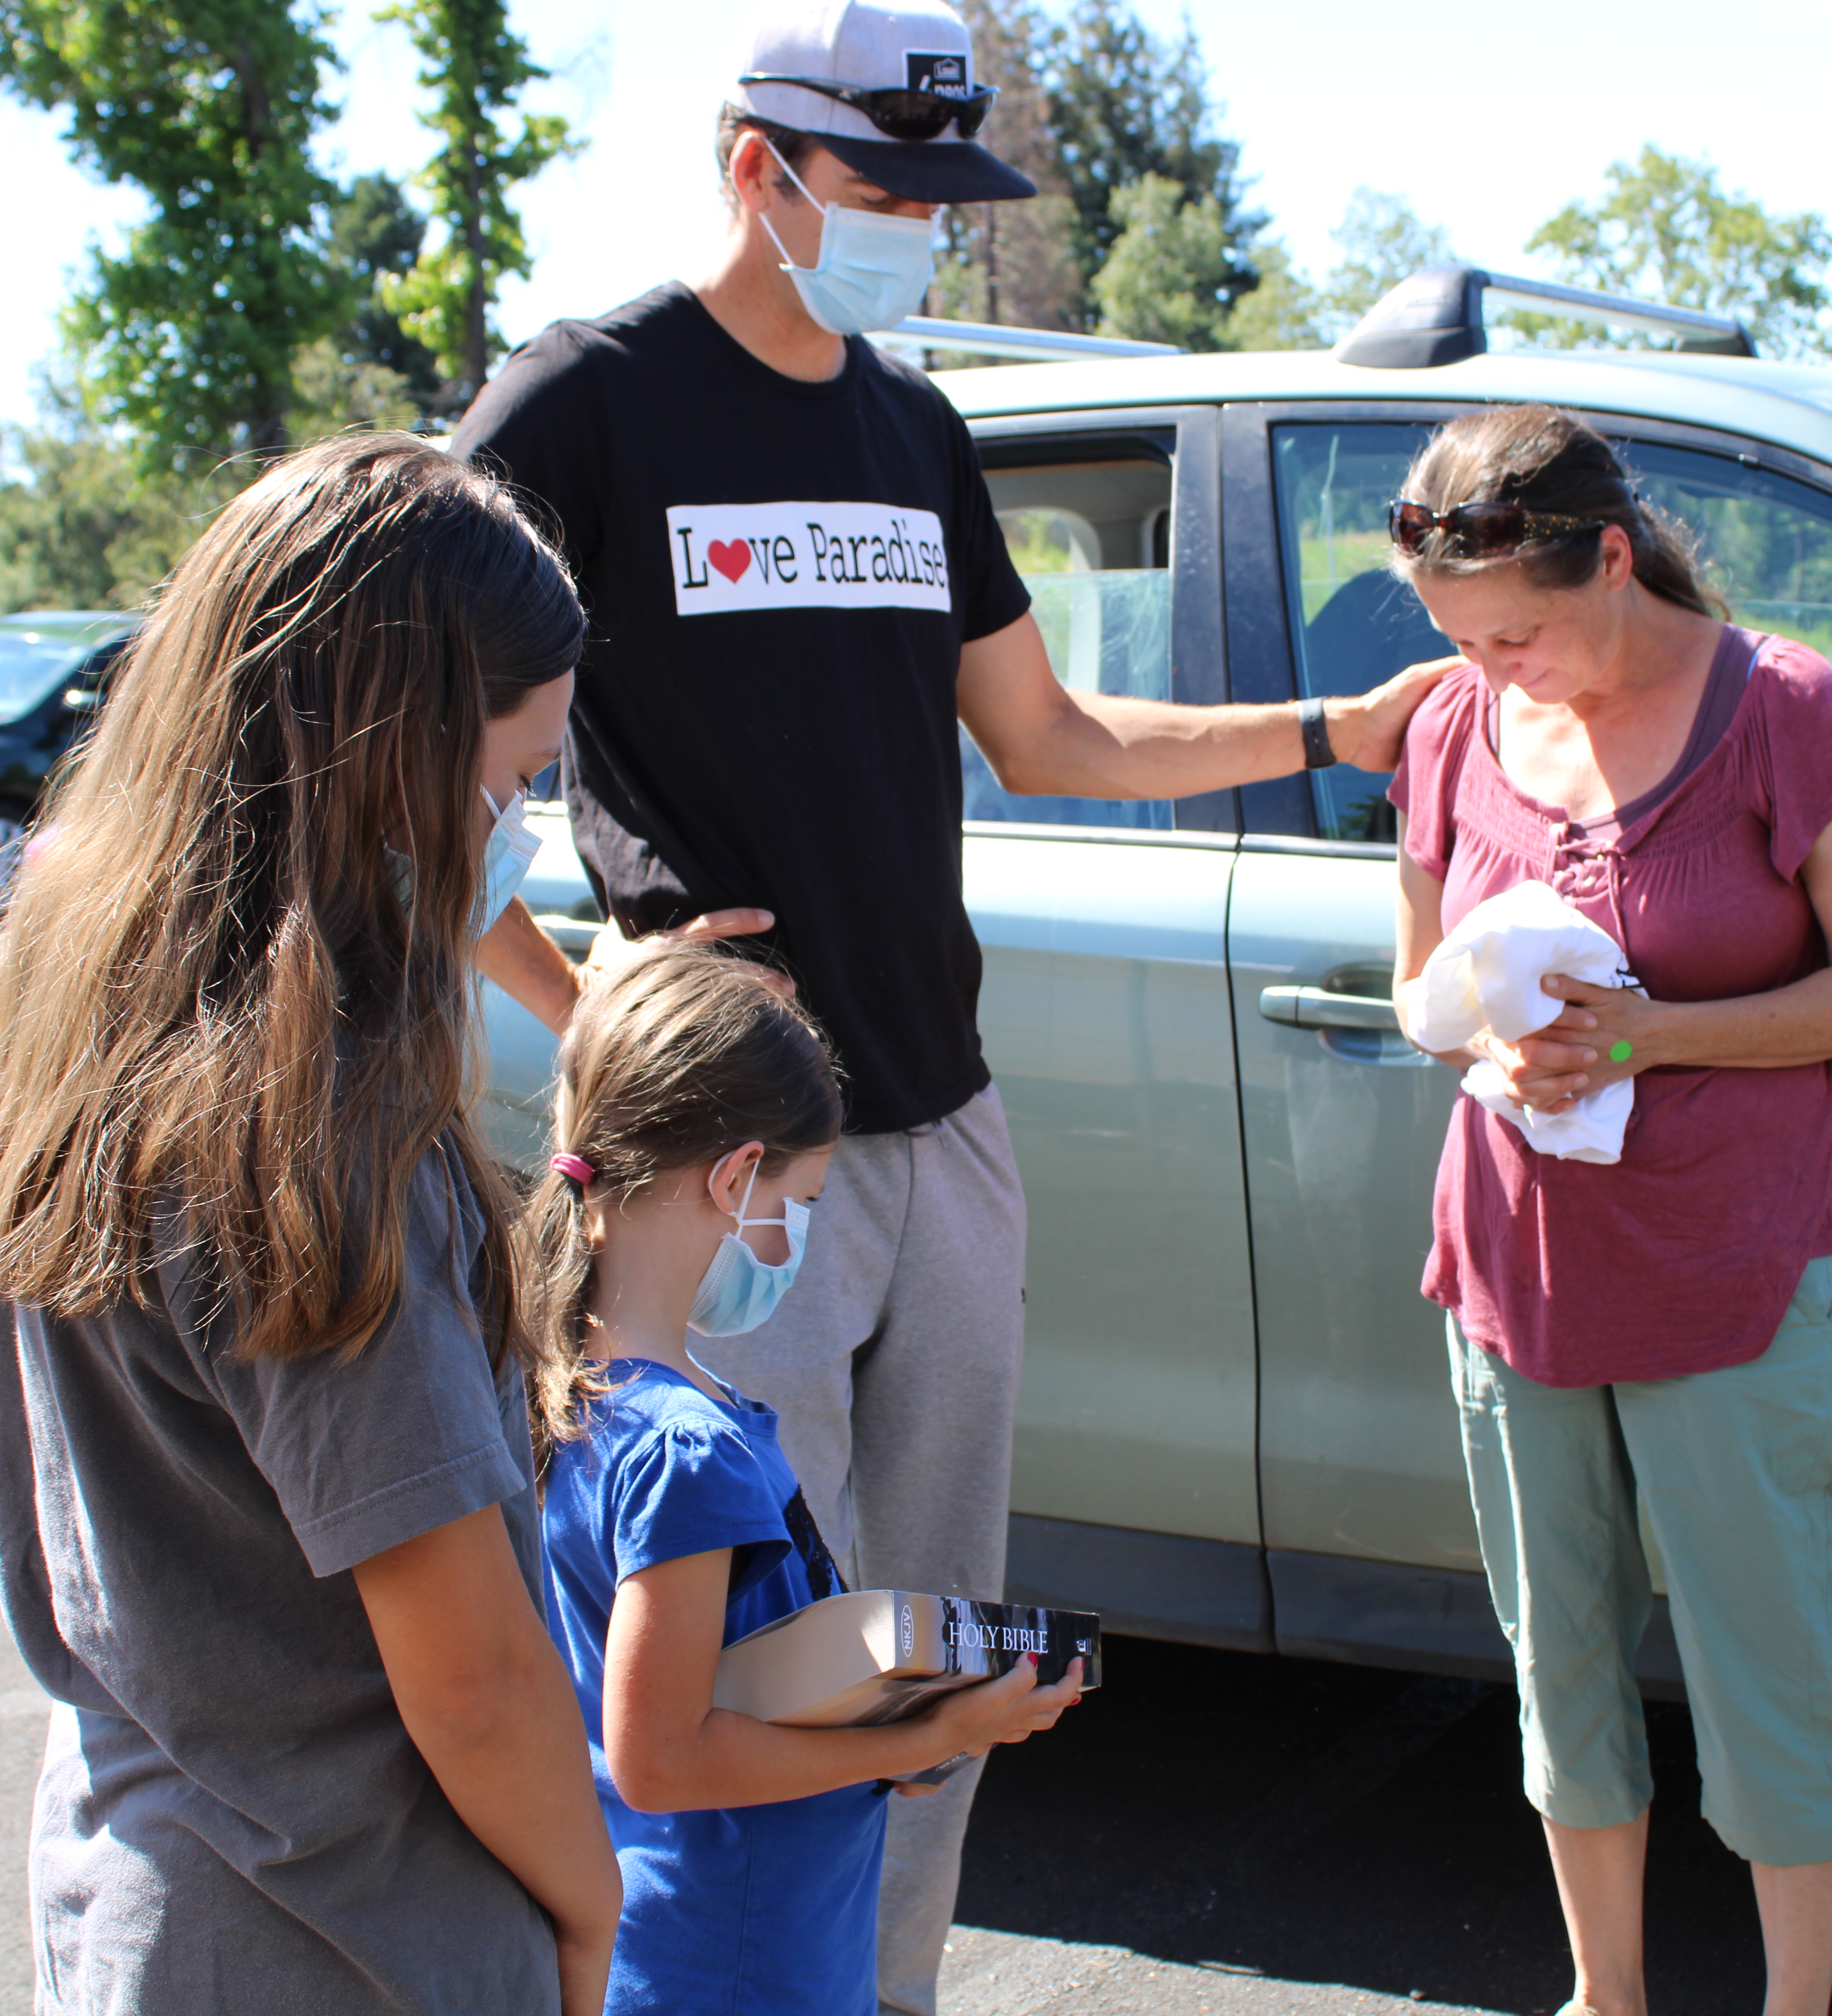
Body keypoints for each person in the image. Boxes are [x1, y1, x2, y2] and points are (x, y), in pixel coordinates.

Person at [449, 5, 1437, 2003]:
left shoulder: (911, 429)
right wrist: (583, 1000)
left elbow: (1055, 733)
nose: (925, 231)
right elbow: (399, 730)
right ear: (761, 171)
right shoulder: (584, 402)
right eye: (890, 192)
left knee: (924, 1640)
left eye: (941, 196)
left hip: (940, 1128)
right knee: (737, 1660)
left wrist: (1335, 723)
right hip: (721, 1170)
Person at [0, 435, 622, 2014]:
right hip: (358, 1942)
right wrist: (589, 1918)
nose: (517, 834)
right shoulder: (321, 1137)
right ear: (389, 756)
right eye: (509, 784)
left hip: (130, 1895)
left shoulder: (41, 1035)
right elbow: (476, 1679)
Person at [1383, 406, 1832, 2016]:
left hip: (1727, 1281)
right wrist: (1483, 1032)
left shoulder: (1787, 711)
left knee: (1770, 1683)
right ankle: (1603, 1995)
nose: (1496, 669)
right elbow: (1421, 981)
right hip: (1514, 1276)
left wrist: (1654, 1035)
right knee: (1560, 1674)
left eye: (1523, 632)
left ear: (1614, 558)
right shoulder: (1450, 725)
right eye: (1464, 640)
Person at [520, 943, 1083, 2015]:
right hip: (733, 1960)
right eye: (804, 1199)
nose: (800, 1236)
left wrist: (872, 1734)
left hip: (659, 1940)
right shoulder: (688, 1452)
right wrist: (922, 1737)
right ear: (734, 1177)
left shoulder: (562, 1382)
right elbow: (663, 1755)